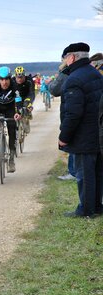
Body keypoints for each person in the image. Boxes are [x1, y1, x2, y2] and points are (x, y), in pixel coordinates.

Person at [58, 42, 103, 218]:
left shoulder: (74, 79)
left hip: (83, 134)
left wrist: (64, 137)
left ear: (72, 57)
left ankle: (86, 210)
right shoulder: (95, 74)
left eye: (65, 58)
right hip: (98, 132)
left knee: (84, 174)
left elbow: (73, 113)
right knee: (97, 171)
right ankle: (97, 206)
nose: (65, 62)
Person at [49, 59, 76, 181]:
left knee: (73, 140)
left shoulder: (66, 72)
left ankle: (73, 171)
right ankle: (74, 171)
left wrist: (51, 82)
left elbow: (55, 90)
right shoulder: (90, 71)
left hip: (70, 111)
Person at [14, 66, 35, 133]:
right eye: (18, 77)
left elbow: (31, 93)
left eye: (21, 77)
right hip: (17, 96)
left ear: (24, 76)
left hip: (27, 95)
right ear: (15, 76)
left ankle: (26, 117)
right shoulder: (12, 80)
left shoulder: (29, 80)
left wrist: (29, 102)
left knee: (26, 104)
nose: (19, 79)